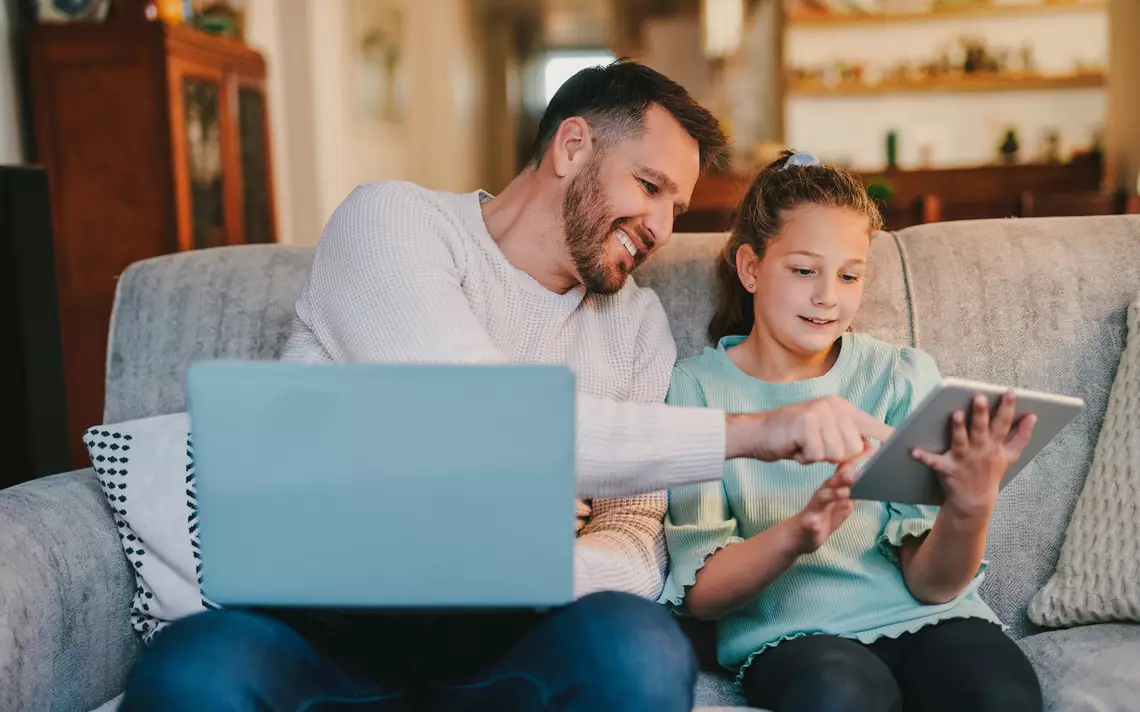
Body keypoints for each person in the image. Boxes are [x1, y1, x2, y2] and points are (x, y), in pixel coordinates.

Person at [121, 63, 891, 712]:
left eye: (676, 207)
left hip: (515, 639)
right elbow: (477, 414)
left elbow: (637, 528)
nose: (660, 225)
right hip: (326, 627)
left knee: (640, 649)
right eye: (649, 185)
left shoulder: (635, 324)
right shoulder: (393, 222)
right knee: (192, 669)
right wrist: (754, 431)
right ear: (572, 144)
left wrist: (538, 568)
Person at [659, 150, 1044, 712]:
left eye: (849, 274)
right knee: (844, 696)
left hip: (931, 619)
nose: (828, 296)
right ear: (750, 268)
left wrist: (972, 504)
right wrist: (799, 534)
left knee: (997, 695)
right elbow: (702, 596)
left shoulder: (900, 377)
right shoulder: (695, 390)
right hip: (796, 640)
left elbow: (932, 585)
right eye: (803, 270)